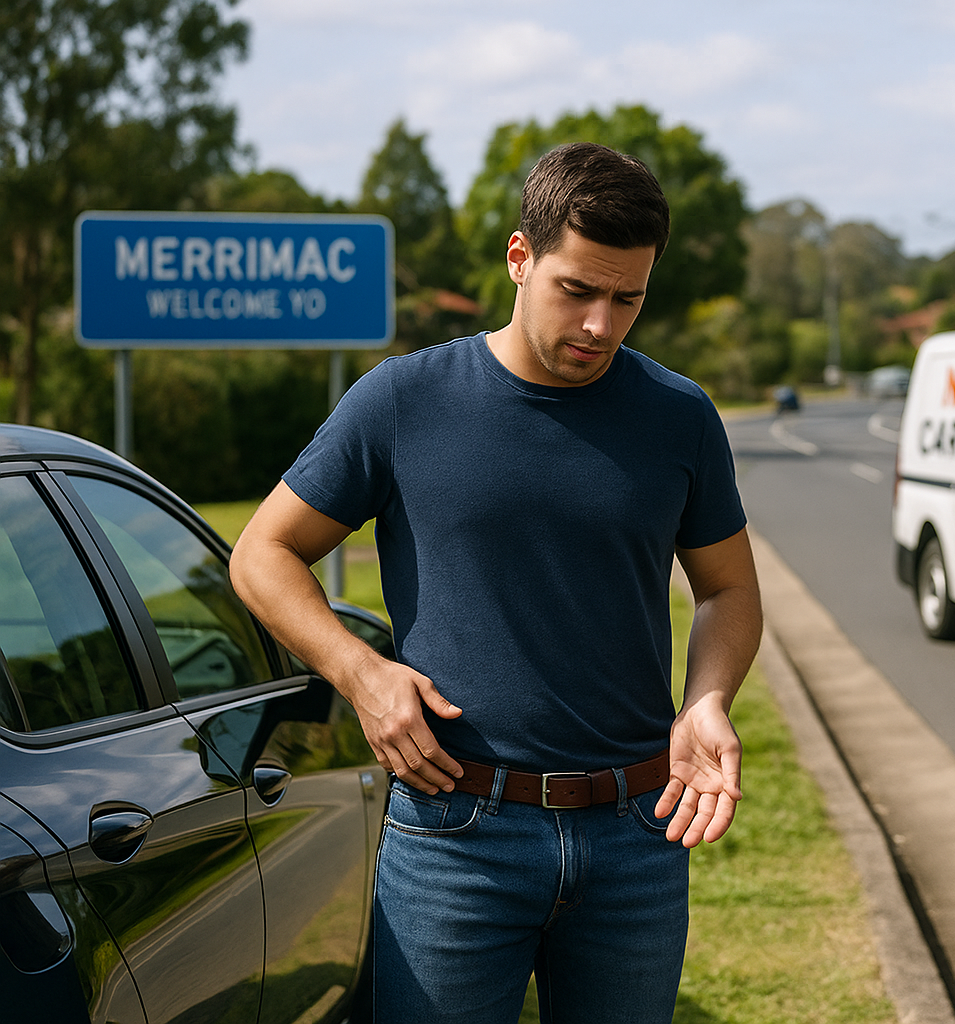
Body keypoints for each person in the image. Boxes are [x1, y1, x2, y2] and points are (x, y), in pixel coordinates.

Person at [229, 141, 762, 1023]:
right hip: (455, 838)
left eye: (627, 298)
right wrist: (364, 676)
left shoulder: (680, 416)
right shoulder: (403, 400)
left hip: (638, 832)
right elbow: (262, 554)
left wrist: (708, 701)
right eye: (578, 290)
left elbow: (728, 590)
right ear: (520, 258)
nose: (601, 324)